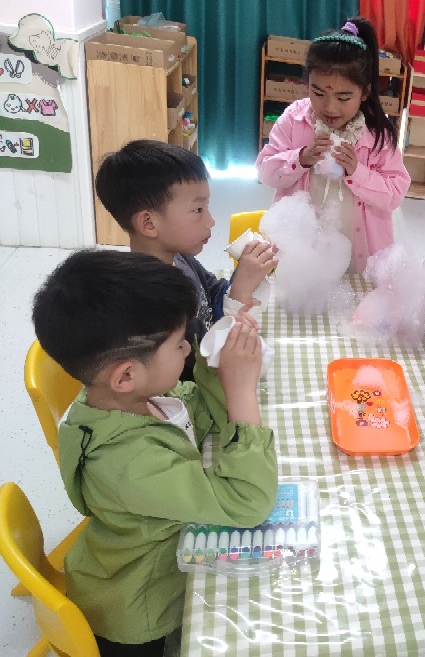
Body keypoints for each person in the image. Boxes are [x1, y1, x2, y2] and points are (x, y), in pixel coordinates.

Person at [33, 249, 278, 656]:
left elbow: (197, 410)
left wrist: (217, 365)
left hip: (123, 560)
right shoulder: (130, 463)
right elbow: (247, 503)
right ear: (126, 375)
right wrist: (240, 392)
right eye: (179, 345)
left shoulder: (124, 398)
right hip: (137, 611)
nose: (187, 352)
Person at [96, 140, 277, 381]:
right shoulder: (150, 305)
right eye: (198, 210)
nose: (211, 221)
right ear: (149, 223)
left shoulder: (179, 258)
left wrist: (247, 274)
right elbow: (206, 367)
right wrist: (241, 291)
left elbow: (214, 293)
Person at [256, 17, 410, 274]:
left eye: (343, 97)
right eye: (318, 93)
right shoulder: (294, 119)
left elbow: (395, 194)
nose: (329, 107)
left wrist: (357, 172)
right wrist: (300, 158)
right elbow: (265, 171)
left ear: (364, 93)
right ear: (307, 84)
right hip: (301, 250)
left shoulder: (378, 134)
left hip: (359, 254)